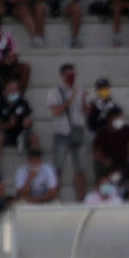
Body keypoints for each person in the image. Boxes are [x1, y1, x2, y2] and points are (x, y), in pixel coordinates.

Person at [46, 63, 88, 201]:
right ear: (62, 75)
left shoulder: (80, 90)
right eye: (69, 74)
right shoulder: (55, 91)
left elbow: (86, 112)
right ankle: (56, 199)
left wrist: (85, 102)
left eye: (73, 74)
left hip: (78, 131)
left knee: (80, 169)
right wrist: (69, 100)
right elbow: (55, 111)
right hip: (62, 133)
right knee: (58, 168)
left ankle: (81, 200)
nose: (72, 77)